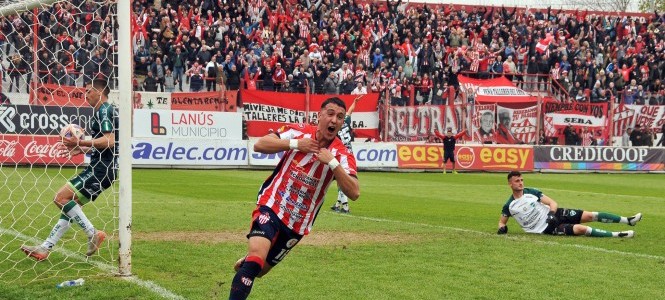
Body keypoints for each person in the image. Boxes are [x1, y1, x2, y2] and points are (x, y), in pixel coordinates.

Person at [229, 97, 360, 300]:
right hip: (272, 205)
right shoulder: (299, 132)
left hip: (297, 224)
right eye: (331, 114)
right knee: (255, 260)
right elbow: (260, 144)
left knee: (259, 271)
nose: (334, 120)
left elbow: (354, 192)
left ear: (343, 123)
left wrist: (333, 163)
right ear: (320, 115)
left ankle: (251, 261)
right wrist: (296, 144)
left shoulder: (341, 153)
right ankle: (253, 259)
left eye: (340, 117)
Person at [21, 78, 118, 261]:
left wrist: (79, 141)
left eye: (89, 91)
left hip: (100, 169)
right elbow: (106, 145)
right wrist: (81, 149)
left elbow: (109, 141)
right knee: (69, 208)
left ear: (100, 92)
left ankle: (93, 233)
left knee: (60, 198)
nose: (86, 94)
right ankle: (44, 248)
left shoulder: (104, 110)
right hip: (102, 168)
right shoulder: (102, 112)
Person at [497, 171, 641, 238]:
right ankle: (618, 235)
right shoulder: (509, 205)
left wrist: (552, 214)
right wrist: (502, 228)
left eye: (522, 180)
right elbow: (502, 221)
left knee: (590, 215)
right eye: (517, 181)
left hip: (555, 214)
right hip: (545, 228)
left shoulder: (531, 192)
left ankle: (628, 220)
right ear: (510, 184)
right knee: (581, 229)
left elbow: (552, 202)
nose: (521, 183)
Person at [331, 96, 361, 213]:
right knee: (342, 179)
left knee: (341, 180)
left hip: (341, 154)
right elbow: (350, 111)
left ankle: (345, 206)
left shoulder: (335, 127)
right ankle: (338, 204)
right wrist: (355, 103)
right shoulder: (346, 121)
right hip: (350, 153)